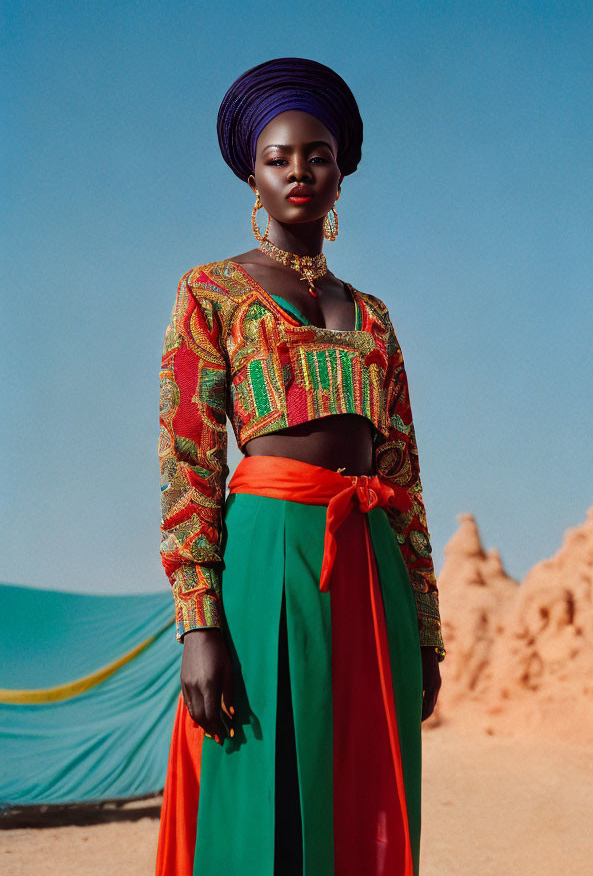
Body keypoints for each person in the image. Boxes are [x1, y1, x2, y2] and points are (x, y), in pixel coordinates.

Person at [154, 57, 445, 876]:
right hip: (264, 556)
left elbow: (404, 474)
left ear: (342, 169)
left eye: (315, 154)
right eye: (279, 157)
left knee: (357, 795)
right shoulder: (210, 291)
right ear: (253, 173)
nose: (298, 171)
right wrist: (199, 622)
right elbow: (187, 460)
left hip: (365, 563)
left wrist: (424, 629)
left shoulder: (374, 314)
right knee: (265, 785)